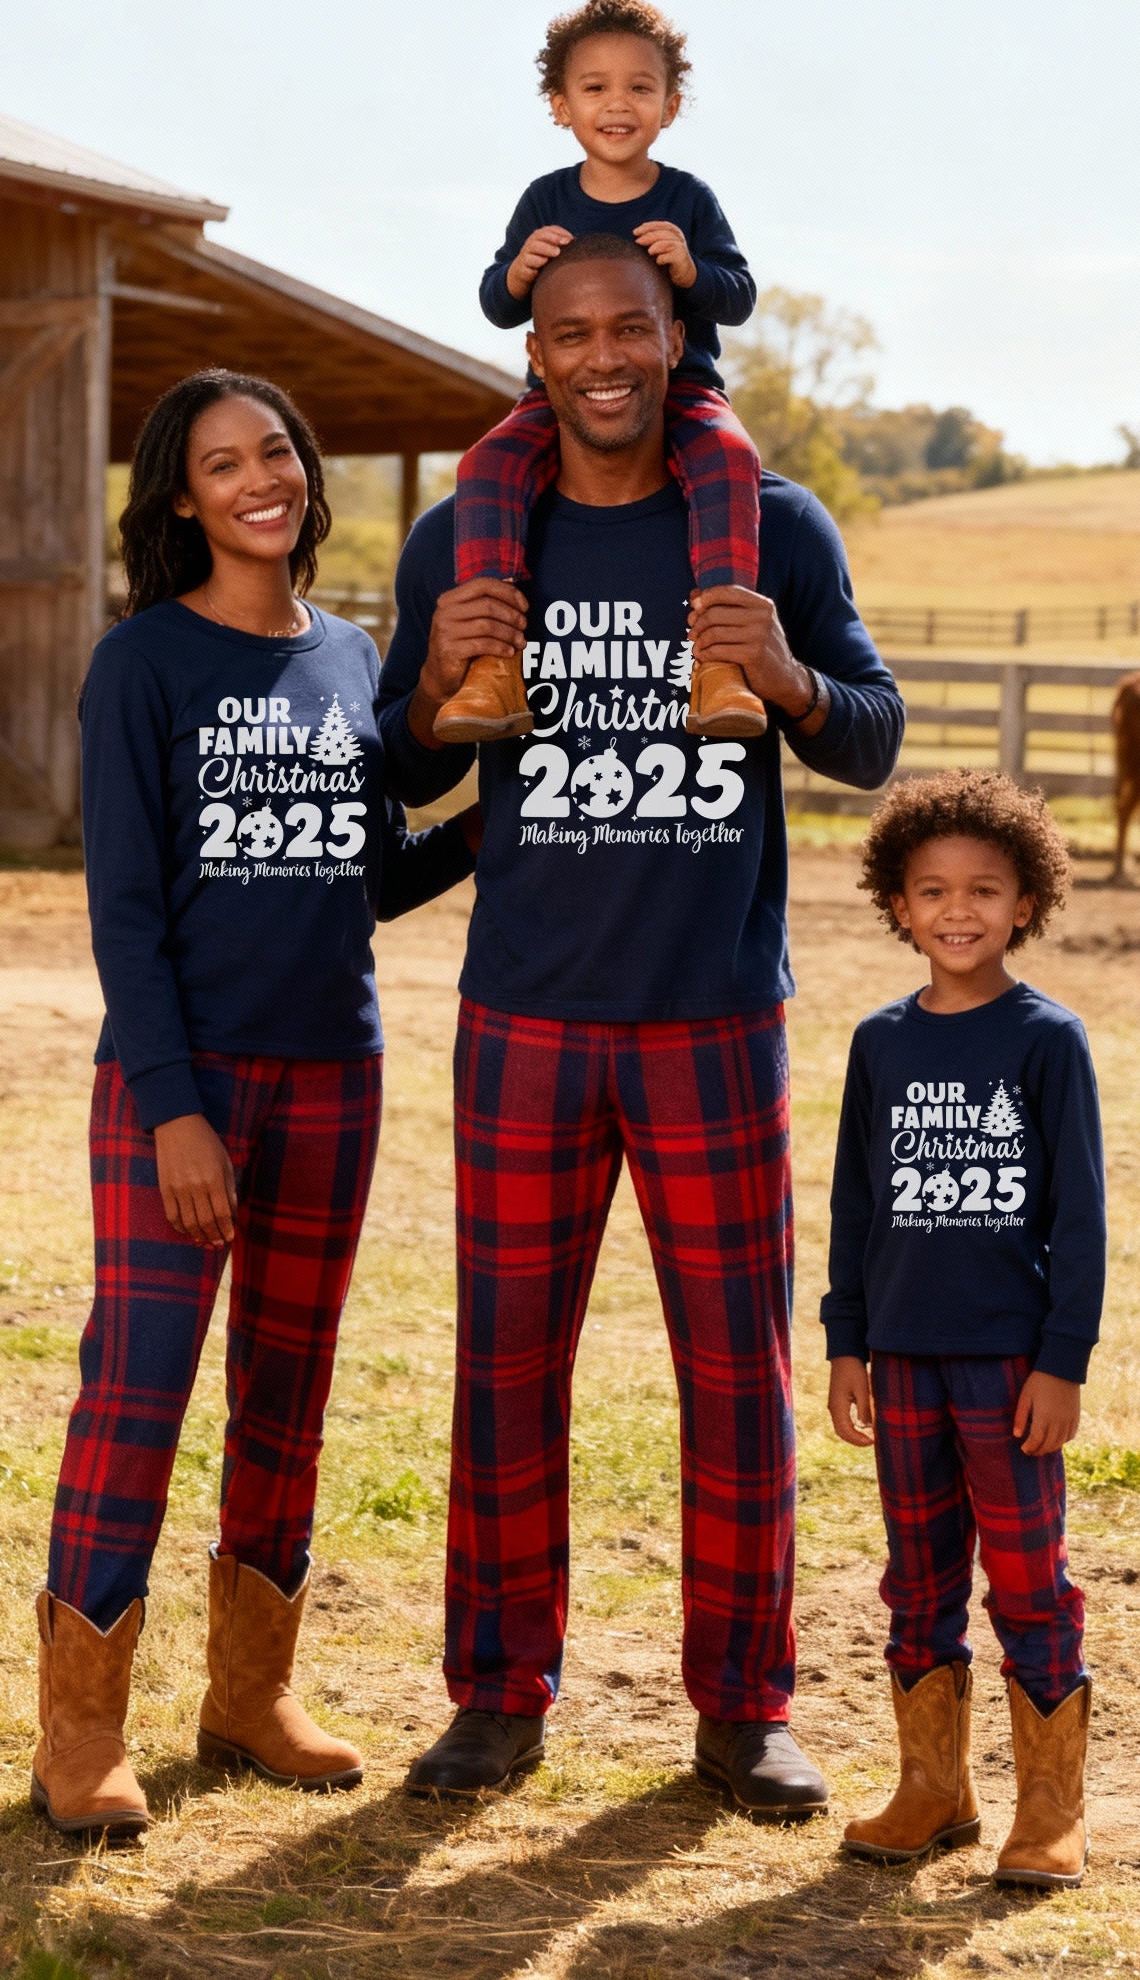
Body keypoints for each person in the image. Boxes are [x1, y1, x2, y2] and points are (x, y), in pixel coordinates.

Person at [376, 231, 907, 1819]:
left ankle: (744, 1710)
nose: (603, 353)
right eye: (571, 331)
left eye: (633, 326)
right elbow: (402, 773)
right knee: (505, 1369)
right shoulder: (465, 537)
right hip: (526, 1017)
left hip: (712, 1020)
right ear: (533, 354)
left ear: (679, 337)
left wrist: (792, 681)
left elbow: (873, 745)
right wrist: (430, 693)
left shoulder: (771, 529)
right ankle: (495, 1697)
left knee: (737, 1381)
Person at [31, 369, 480, 1837]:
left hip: (334, 1075)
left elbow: (371, 872)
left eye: (274, 452)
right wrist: (172, 1106)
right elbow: (127, 909)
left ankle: (248, 1697)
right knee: (139, 1394)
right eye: (221, 464)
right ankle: (83, 1731)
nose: (257, 479)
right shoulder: (141, 663)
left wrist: (501, 814)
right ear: (181, 497)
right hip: (184, 1084)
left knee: (287, 1394)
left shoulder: (352, 657)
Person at [823, 772, 1103, 1887]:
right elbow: (852, 1198)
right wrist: (847, 1338)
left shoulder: (1047, 1039)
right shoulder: (877, 1041)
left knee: (1029, 1581)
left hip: (1006, 1363)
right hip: (902, 1358)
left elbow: (1077, 1215)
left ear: (1025, 901)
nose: (957, 909)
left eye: (984, 889)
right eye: (931, 888)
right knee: (916, 1576)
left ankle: (1048, 1809)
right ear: (896, 903)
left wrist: (1060, 1360)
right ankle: (931, 1788)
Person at [434, 0, 765, 745]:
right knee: (486, 465)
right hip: (560, 401)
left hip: (678, 391)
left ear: (670, 106)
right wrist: (520, 271)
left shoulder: (688, 199)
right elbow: (497, 302)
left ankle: (721, 666)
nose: (618, 104)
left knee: (729, 456)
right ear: (560, 105)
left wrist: (691, 272)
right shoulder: (544, 200)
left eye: (640, 88)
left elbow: (738, 296)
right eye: (595, 88)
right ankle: (492, 670)